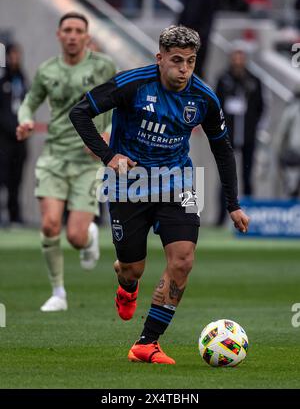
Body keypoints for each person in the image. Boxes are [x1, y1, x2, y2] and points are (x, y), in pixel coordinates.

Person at [70, 25, 249, 364]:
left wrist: (233, 204)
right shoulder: (132, 84)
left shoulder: (204, 98)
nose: (183, 70)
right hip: (129, 183)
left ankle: (146, 343)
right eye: (177, 60)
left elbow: (222, 150)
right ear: (160, 58)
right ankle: (127, 286)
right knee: (132, 268)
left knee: (183, 260)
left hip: (180, 181)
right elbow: (79, 113)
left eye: (191, 62)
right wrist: (110, 156)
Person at [16, 12, 116, 312]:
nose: (72, 35)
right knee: (49, 225)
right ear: (59, 35)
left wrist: (108, 133)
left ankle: (89, 238)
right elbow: (29, 102)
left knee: (74, 236)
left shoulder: (103, 66)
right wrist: (25, 121)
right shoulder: (47, 70)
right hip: (54, 157)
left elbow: (119, 101)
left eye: (78, 31)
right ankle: (58, 293)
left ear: (87, 36)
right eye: (67, 30)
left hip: (87, 162)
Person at [215, 42, 264, 225]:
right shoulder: (224, 79)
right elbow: (216, 105)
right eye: (235, 55)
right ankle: (221, 217)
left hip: (248, 136)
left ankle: (251, 216)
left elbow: (260, 107)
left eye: (241, 56)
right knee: (226, 176)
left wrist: (253, 125)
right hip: (228, 136)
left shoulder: (254, 80)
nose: (237, 59)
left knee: (247, 176)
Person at [0, 43, 27, 226]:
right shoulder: (3, 79)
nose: (15, 59)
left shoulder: (22, 78)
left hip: (20, 139)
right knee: (2, 177)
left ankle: (14, 215)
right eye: (12, 55)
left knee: (16, 180)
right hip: (4, 139)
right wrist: (10, 128)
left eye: (18, 55)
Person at [274, 91, 300, 198]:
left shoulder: (292, 109)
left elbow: (281, 132)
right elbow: (282, 132)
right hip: (295, 154)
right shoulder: (293, 109)